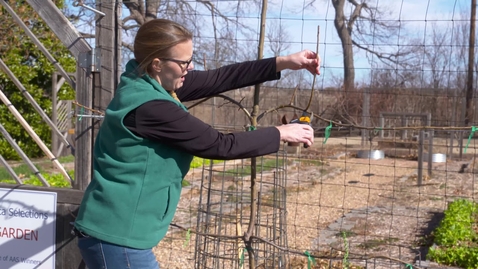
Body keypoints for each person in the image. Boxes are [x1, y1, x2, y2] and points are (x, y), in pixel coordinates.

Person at [73, 18, 320, 269]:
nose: (190, 68)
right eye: (184, 62)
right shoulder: (152, 107)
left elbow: (220, 78)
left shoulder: (147, 83)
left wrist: (286, 62)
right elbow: (219, 145)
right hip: (118, 237)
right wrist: (281, 133)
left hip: (114, 232)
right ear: (157, 63)